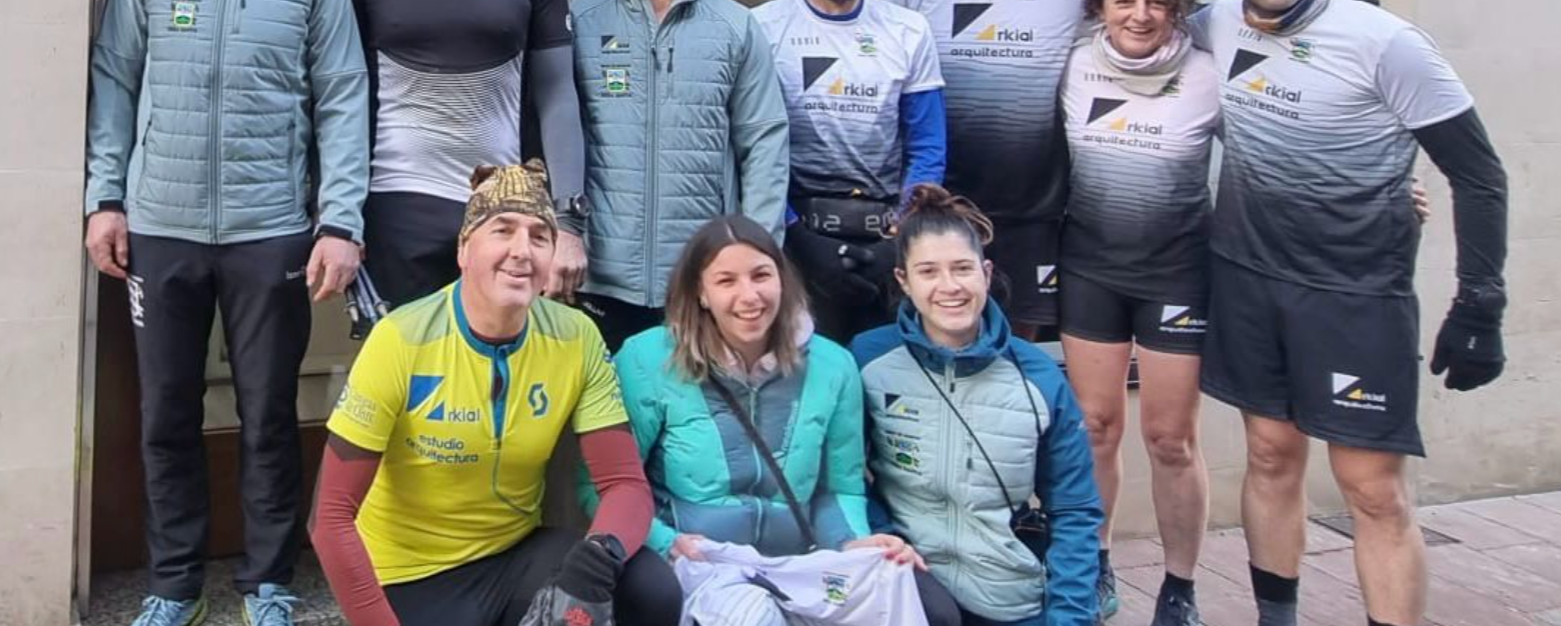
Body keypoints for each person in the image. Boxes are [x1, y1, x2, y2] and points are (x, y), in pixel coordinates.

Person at [83, 0, 368, 626]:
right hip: (159, 226)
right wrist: (106, 198)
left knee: (269, 412)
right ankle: (174, 584)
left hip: (270, 228)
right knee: (166, 412)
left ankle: (270, 581)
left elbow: (344, 103)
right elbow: (114, 85)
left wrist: (340, 220)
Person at [1198, 0, 1509, 626]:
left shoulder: (1387, 41)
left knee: (1372, 490)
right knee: (1270, 458)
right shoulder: (1211, 23)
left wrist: (1480, 303)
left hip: (1355, 296)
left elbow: (1478, 175)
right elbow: (1126, 21)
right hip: (1247, 278)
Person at [309, 161, 680, 626]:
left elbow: (624, 484)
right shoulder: (401, 339)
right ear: (464, 249)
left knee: (649, 589)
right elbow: (331, 519)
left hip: (513, 557)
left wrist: (599, 554)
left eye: (539, 236)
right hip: (411, 577)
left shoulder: (576, 336)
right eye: (502, 231)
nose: (521, 251)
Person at [588, 215, 933, 625]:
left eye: (760, 275)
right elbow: (603, 485)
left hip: (798, 559)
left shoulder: (833, 366)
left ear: (782, 280)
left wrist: (853, 542)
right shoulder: (648, 360)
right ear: (701, 292)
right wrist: (666, 541)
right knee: (755, 616)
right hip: (698, 559)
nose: (749, 295)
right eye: (726, 281)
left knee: (891, 580)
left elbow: (838, 488)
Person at [340, 0, 588, 309]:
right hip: (394, 205)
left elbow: (558, 96)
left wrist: (565, 219)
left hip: (501, 206)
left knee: (495, 371)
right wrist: (337, 214)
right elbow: (339, 91)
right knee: (402, 373)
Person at [852, 186, 1104, 626]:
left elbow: (1074, 510)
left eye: (962, 269)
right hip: (908, 592)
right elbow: (845, 476)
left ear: (986, 273)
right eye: (928, 271)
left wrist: (1070, 618)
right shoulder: (867, 361)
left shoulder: (1039, 380)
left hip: (1009, 599)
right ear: (903, 281)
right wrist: (882, 534)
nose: (949, 287)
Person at [1058, 0, 1218, 625]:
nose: (1141, 13)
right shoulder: (1075, 62)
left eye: (1157, 1)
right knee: (1095, 427)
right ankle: (1097, 560)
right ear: (1101, 4)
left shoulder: (1211, 72)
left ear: (1177, 5)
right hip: (1090, 266)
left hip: (1178, 271)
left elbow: (1275, 150)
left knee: (1170, 438)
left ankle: (1180, 586)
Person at [571, 0, 790, 348]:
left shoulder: (736, 26)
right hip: (600, 281)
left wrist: (753, 258)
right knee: (612, 422)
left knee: (696, 421)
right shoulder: (581, 21)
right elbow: (559, 141)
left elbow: (765, 146)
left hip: (703, 281)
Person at [881, 0, 1088, 340]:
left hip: (1033, 213)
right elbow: (888, 78)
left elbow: (1136, 18)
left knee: (1017, 356)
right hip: (938, 205)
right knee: (931, 349)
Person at [753, 0, 946, 342]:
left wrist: (901, 234)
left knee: (883, 388)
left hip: (887, 245)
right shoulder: (760, 28)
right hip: (798, 243)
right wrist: (798, 237)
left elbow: (928, 146)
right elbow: (748, 148)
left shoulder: (908, 31)